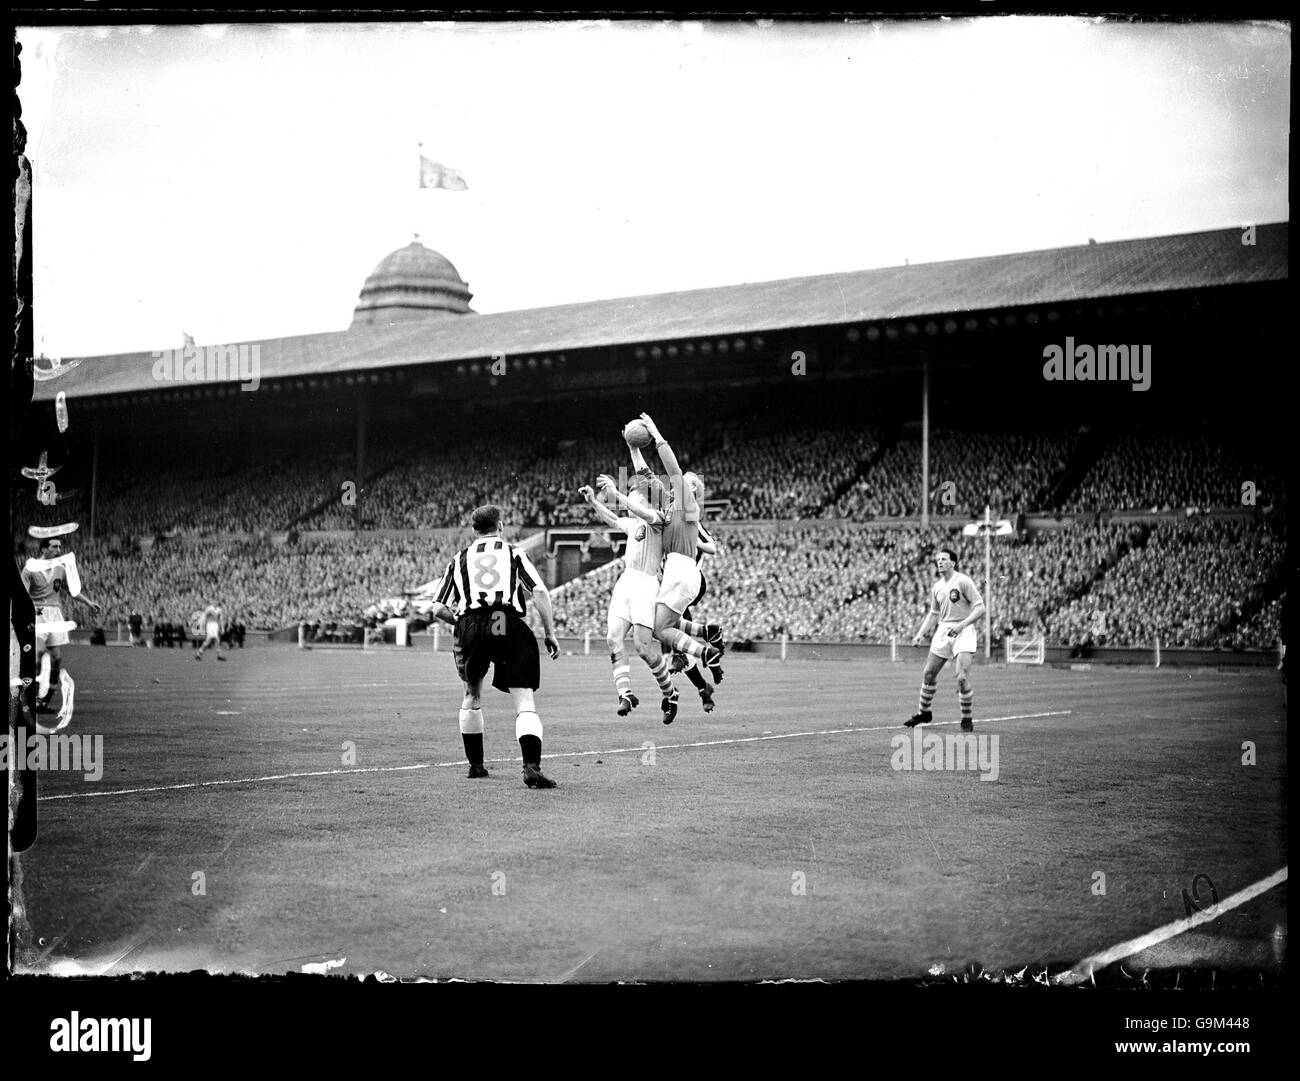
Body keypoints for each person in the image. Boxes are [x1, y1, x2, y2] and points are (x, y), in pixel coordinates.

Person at [428, 505, 561, 789]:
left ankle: (475, 766)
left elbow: (438, 608)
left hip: (470, 624)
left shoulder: (459, 558)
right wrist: (549, 633)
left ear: (474, 531)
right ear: (500, 525)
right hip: (505, 619)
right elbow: (538, 591)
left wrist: (462, 626)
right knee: (524, 699)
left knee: (471, 693)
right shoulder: (513, 552)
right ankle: (531, 767)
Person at [628, 413, 724, 724]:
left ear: (693, 490)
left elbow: (672, 468)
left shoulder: (686, 503)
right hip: (679, 576)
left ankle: (702, 650)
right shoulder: (671, 504)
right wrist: (631, 446)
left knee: (659, 628)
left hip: (682, 573)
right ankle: (705, 649)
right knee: (660, 628)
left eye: (690, 482)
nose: (683, 482)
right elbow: (645, 476)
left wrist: (656, 433)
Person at [579, 474, 675, 718]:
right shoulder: (633, 525)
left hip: (646, 584)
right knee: (613, 638)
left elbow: (638, 511)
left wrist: (616, 494)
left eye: (634, 493)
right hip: (626, 582)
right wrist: (594, 502)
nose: (630, 497)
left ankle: (670, 693)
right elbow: (612, 519)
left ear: (644, 499)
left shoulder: (657, 519)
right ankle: (625, 694)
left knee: (643, 648)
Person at [21, 531, 101, 730]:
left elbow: (73, 592)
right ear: (44, 549)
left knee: (56, 658)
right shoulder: (30, 569)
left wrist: (89, 603)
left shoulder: (60, 569)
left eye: (59, 547)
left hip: (55, 614)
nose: (58, 550)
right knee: (38, 655)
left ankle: (43, 701)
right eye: (54, 546)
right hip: (37, 614)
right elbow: (22, 594)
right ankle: (30, 699)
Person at [905, 548, 986, 732]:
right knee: (928, 674)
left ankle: (966, 718)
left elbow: (981, 609)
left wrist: (962, 624)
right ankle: (924, 713)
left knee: (961, 678)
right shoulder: (937, 587)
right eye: (938, 559)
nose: (939, 561)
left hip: (963, 630)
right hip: (944, 630)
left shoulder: (964, 581)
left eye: (944, 559)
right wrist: (920, 634)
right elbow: (933, 614)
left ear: (953, 563)